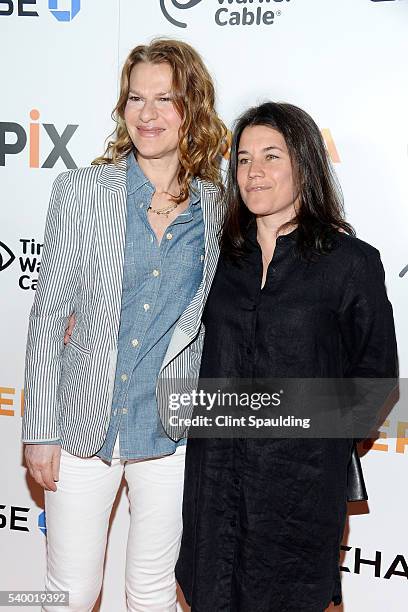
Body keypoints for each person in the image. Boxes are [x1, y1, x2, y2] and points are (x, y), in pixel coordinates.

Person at [22, 39, 226, 612]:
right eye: (136, 97)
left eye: (165, 98)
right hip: (84, 428)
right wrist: (39, 428)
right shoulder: (84, 191)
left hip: (169, 435)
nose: (147, 113)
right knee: (69, 593)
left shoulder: (217, 209)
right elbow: (50, 315)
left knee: (155, 592)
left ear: (193, 110)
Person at [175, 102, 398, 611]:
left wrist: (316, 436)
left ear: (304, 162)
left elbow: (377, 376)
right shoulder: (220, 255)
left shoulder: (350, 262)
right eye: (244, 159)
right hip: (214, 477)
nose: (254, 173)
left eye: (271, 156)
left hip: (299, 484)